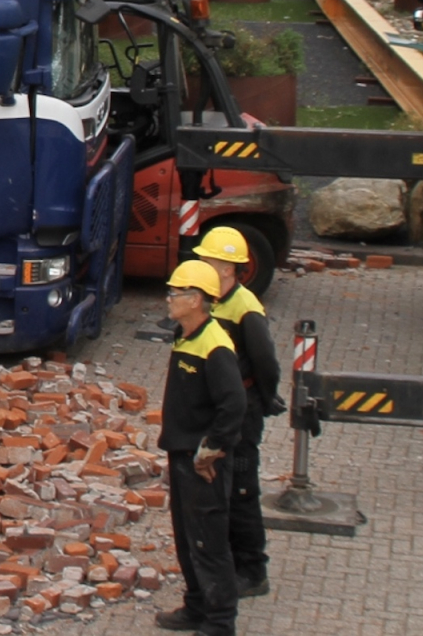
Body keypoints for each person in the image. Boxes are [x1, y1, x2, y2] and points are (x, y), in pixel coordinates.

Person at [154, 260, 245, 636]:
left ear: (196, 300)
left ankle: (220, 621)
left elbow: (234, 405)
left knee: (208, 541)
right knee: (187, 536)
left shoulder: (215, 345)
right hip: (182, 452)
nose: (169, 299)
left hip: (202, 461)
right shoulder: (186, 335)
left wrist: (212, 449)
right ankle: (196, 606)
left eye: (176, 294)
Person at [194, 227, 285, 598]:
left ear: (228, 268)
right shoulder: (212, 301)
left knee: (242, 491)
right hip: (222, 410)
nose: (202, 265)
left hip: (243, 412)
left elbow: (266, 362)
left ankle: (253, 570)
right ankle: (230, 558)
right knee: (223, 488)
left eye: (208, 260)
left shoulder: (245, 308)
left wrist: (264, 401)